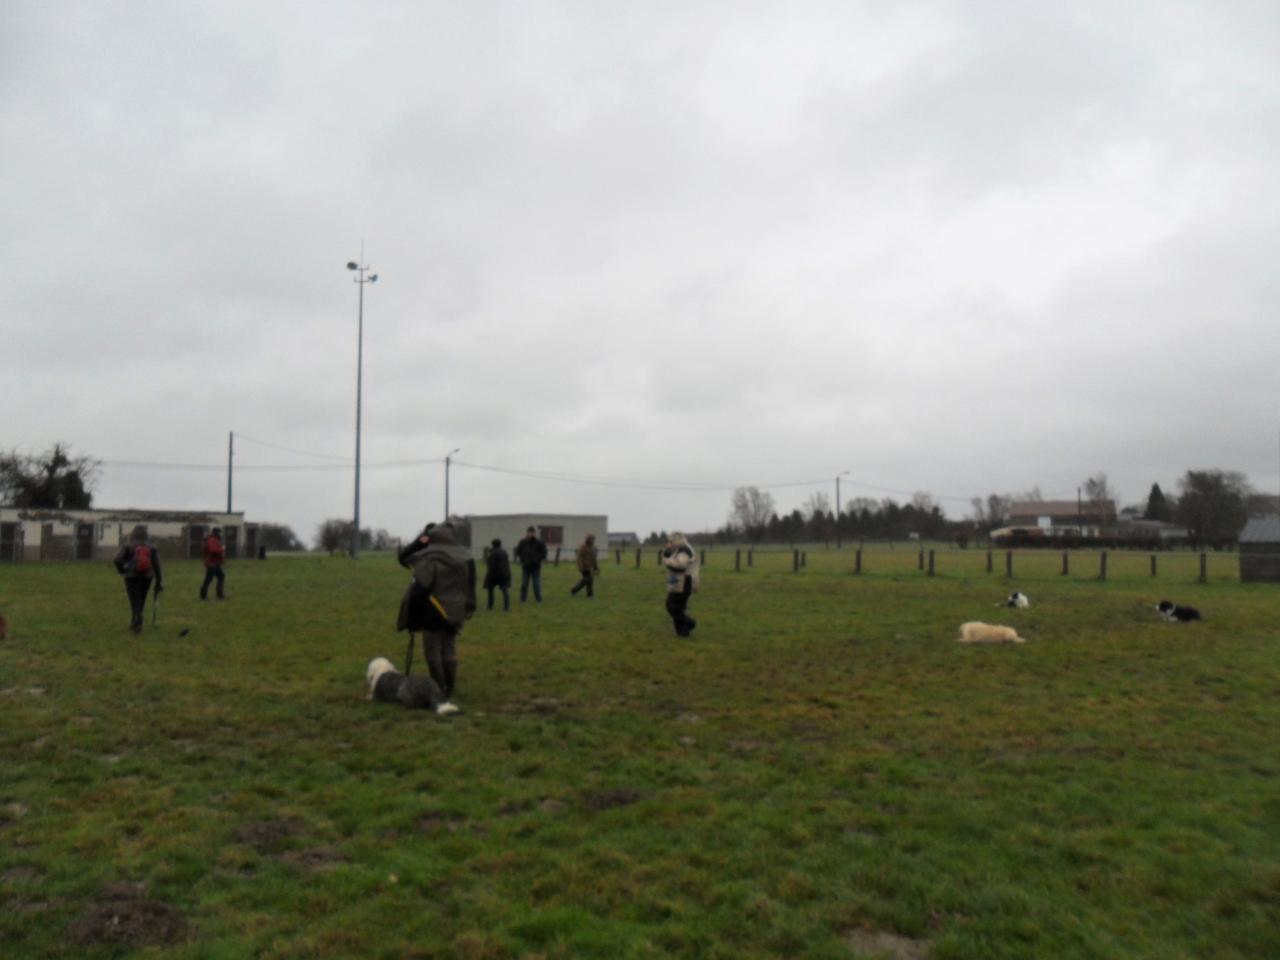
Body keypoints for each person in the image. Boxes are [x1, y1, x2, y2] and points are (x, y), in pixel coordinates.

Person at [396, 522, 476, 709]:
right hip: (456, 611)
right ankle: (450, 686)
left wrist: (419, 542)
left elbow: (416, 584)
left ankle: (439, 688)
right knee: (449, 650)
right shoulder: (465, 557)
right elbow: (471, 585)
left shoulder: (429, 557)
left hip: (433, 611)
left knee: (433, 652)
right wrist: (468, 607)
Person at [113, 525, 164, 634]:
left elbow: (117, 559)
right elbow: (157, 566)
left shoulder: (127, 545)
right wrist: (159, 582)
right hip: (147, 577)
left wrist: (122, 570)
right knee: (141, 599)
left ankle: (137, 623)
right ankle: (135, 621)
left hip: (132, 577)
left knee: (134, 600)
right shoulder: (152, 547)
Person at [662, 532, 699, 637]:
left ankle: (689, 623)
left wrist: (666, 561)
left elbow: (680, 565)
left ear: (676, 541)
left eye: (671, 541)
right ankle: (682, 631)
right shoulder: (679, 549)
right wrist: (667, 552)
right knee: (676, 606)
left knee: (672, 606)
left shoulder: (684, 550)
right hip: (679, 581)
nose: (669, 543)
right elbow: (671, 558)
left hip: (684, 582)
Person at [512, 526, 547, 603]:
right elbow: (518, 551)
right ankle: (523, 599)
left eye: (532, 532)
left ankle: (538, 599)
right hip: (526, 566)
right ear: (527, 533)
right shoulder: (522, 542)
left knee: (536, 584)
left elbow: (544, 553)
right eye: (529, 532)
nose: (531, 534)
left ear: (535, 533)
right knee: (524, 584)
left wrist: (537, 560)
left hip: (536, 567)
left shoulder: (539, 542)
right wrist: (522, 560)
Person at [483, 538, 512, 611]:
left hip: (495, 574)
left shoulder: (493, 553)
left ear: (493, 545)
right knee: (505, 590)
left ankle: (490, 606)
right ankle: (506, 607)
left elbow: (492, 565)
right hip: (505, 573)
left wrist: (489, 575)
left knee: (490, 590)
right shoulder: (504, 552)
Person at [200, 527, 227, 600]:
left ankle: (220, 595)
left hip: (215, 563)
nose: (221, 535)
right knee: (208, 579)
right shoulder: (212, 540)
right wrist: (222, 549)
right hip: (211, 563)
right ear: (216, 533)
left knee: (221, 576)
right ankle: (203, 596)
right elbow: (213, 551)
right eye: (220, 533)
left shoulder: (215, 540)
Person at [570, 533, 600, 597]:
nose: (593, 541)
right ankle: (587, 594)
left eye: (593, 539)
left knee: (588, 580)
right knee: (588, 579)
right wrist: (581, 567)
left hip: (590, 567)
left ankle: (576, 590)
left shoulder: (594, 548)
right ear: (588, 540)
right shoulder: (583, 547)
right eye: (591, 539)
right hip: (584, 567)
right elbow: (579, 557)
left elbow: (594, 558)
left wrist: (596, 566)